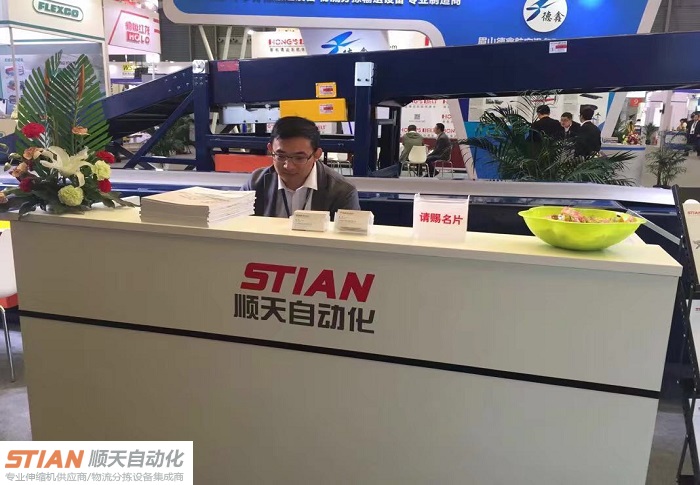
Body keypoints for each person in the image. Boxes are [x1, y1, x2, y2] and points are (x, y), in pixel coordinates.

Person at [242, 116, 360, 218]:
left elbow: (348, 236)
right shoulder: (256, 183)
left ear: (316, 155)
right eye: (280, 156)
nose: (288, 166)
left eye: (299, 158)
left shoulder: (342, 191)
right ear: (270, 149)